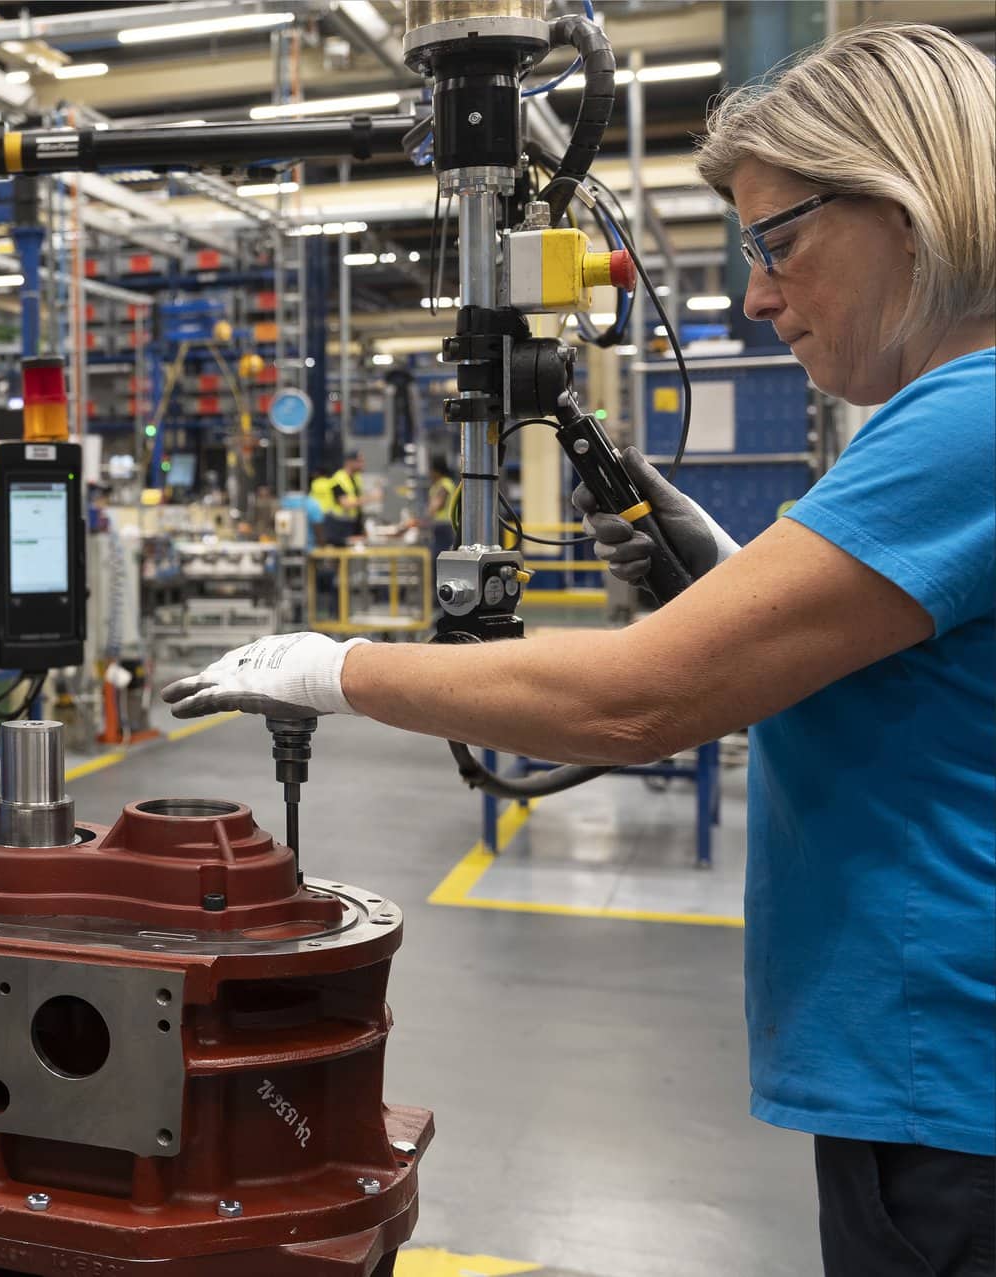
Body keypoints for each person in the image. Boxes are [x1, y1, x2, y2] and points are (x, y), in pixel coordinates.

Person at [162, 25, 995, 1275]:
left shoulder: (967, 418)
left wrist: (332, 665)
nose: (760, 292)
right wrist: (731, 582)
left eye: (779, 241)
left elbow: (637, 702)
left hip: (956, 1094)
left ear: (909, 203)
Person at [323, 450, 366, 547]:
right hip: (338, 525)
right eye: (359, 461)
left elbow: (357, 499)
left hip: (351, 523)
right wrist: (371, 498)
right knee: (339, 557)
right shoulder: (338, 479)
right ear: (349, 462)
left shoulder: (356, 478)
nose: (362, 464)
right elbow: (345, 503)